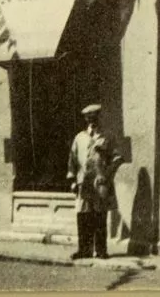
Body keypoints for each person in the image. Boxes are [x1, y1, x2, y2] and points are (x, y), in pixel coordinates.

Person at [66, 104, 124, 260]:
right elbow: (72, 160)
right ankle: (83, 249)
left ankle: (101, 250)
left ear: (99, 118)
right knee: (83, 217)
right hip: (83, 183)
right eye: (89, 118)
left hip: (100, 182)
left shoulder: (108, 136)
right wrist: (72, 180)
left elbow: (118, 158)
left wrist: (107, 174)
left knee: (99, 216)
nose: (92, 121)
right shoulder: (80, 138)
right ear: (86, 119)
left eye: (95, 117)